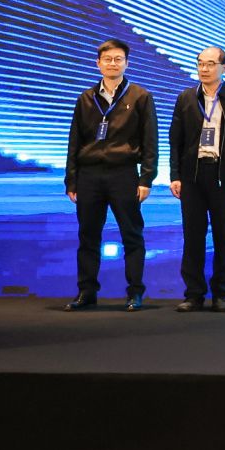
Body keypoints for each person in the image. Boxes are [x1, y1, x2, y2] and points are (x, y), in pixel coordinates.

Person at [63, 39, 157, 311]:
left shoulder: (140, 96)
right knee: (88, 236)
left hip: (123, 173)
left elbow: (150, 141)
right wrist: (71, 179)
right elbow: (74, 141)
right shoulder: (86, 98)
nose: (112, 64)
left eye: (118, 59)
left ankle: (135, 292)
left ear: (126, 63)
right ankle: (86, 292)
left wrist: (146, 178)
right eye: (107, 59)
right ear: (98, 64)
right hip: (89, 175)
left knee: (132, 234)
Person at [167, 46, 225, 312]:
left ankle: (221, 293)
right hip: (192, 176)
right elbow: (175, 140)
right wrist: (175, 175)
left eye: (210, 64)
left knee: (223, 236)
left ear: (224, 67)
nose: (204, 69)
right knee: (192, 237)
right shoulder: (186, 97)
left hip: (224, 176)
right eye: (200, 63)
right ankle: (193, 294)